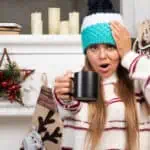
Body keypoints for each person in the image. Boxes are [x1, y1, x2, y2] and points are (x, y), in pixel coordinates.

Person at [54, 0, 150, 150]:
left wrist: (129, 56)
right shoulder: (79, 82)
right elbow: (71, 107)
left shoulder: (139, 81)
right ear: (86, 52)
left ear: (121, 47)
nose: (102, 56)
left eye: (110, 47)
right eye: (93, 48)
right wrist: (65, 96)